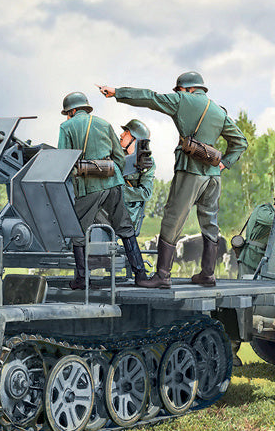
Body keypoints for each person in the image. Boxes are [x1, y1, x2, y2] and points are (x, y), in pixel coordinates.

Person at [98, 71, 248, 288]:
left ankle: (162, 276)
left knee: (172, 219)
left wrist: (117, 93)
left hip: (190, 171)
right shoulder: (217, 110)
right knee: (210, 221)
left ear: (185, 89)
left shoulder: (181, 100)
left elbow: (150, 98)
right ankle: (208, 274)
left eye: (179, 90)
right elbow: (241, 142)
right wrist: (225, 162)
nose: (177, 93)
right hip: (213, 176)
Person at [58, 92, 148, 289]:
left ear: (72, 111)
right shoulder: (104, 124)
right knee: (125, 227)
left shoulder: (66, 127)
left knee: (78, 232)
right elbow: (119, 157)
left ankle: (82, 279)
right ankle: (141, 275)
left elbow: (63, 159)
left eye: (68, 112)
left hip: (88, 186)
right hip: (113, 182)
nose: (67, 116)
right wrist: (110, 173)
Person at [119, 119, 154, 280]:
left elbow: (145, 192)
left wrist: (117, 191)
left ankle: (140, 273)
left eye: (126, 133)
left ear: (135, 139)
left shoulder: (146, 162)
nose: (121, 135)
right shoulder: (117, 157)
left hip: (129, 210)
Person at [236, 199, 275, 278]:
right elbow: (272, 219)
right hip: (250, 258)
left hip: (260, 259)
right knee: (244, 286)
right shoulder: (263, 209)